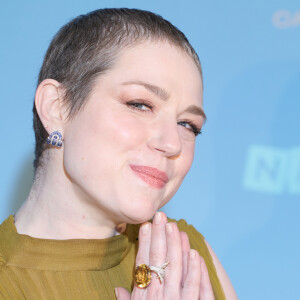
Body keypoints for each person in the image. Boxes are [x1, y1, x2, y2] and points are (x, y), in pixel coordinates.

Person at [0, 8, 237, 300]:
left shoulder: (184, 256)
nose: (173, 143)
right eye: (140, 104)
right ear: (56, 107)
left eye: (188, 125)